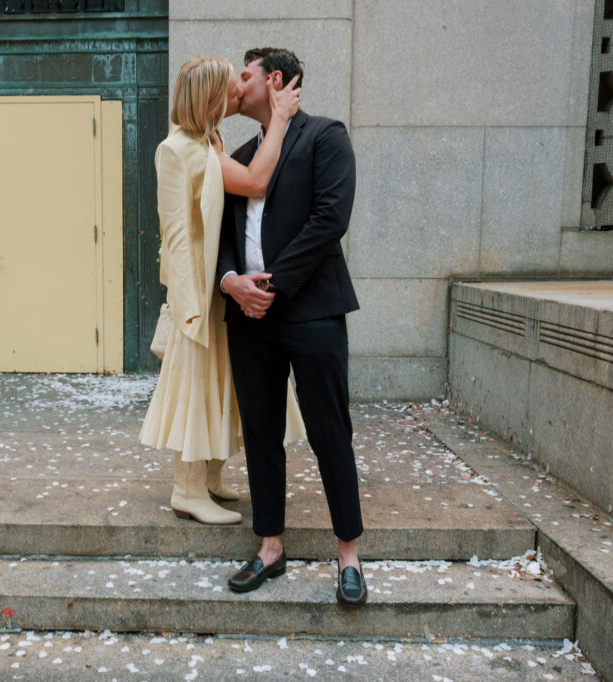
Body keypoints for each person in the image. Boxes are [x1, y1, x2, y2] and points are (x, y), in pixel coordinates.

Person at [218, 47, 367, 606]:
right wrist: (232, 279)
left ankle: (348, 554)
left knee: (331, 430)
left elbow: (332, 218)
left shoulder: (325, 137)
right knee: (260, 431)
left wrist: (273, 285)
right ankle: (270, 547)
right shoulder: (237, 155)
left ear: (274, 79)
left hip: (312, 310)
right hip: (248, 317)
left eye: (246, 74)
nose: (238, 84)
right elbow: (220, 235)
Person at [139, 56, 304, 525]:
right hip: (198, 294)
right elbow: (253, 183)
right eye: (231, 91)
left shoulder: (206, 143)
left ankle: (209, 479)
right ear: (211, 99)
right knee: (196, 387)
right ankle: (186, 491)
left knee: (220, 386)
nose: (239, 96)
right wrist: (283, 121)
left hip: (217, 289)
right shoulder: (179, 150)